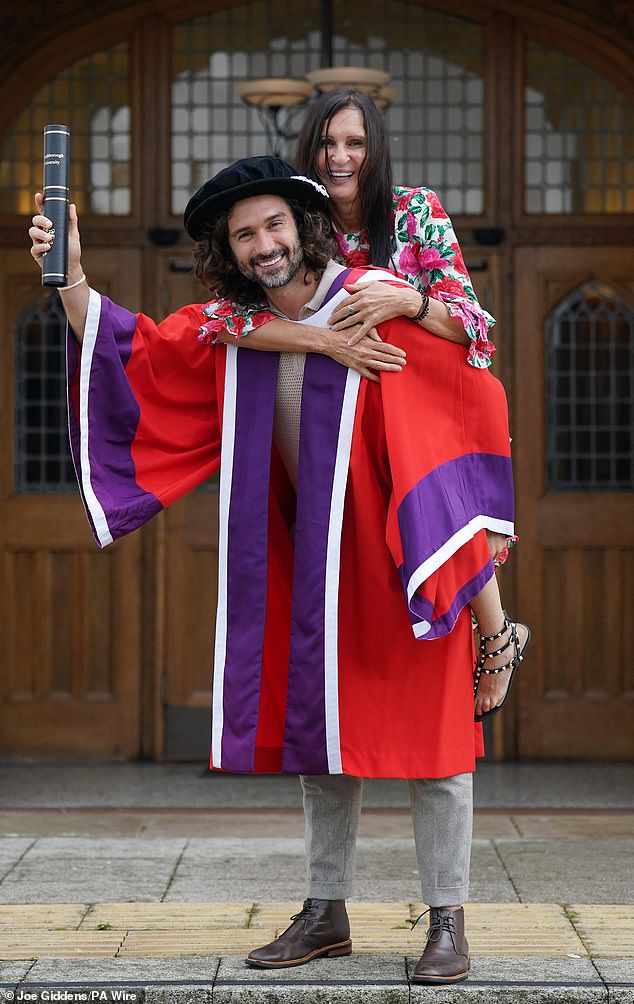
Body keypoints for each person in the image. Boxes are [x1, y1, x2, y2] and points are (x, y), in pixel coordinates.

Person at [29, 156, 522, 984]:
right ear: (230, 249)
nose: (265, 245)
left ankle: (448, 922)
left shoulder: (373, 302)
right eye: (245, 234)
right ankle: (325, 913)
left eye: (275, 226)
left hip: (408, 556)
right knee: (321, 741)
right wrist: (71, 277)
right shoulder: (233, 330)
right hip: (316, 569)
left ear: (305, 226)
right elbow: (138, 351)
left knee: (437, 745)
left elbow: (469, 397)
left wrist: (456, 560)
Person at [197, 90, 530, 721]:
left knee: (430, 472)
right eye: (327, 144)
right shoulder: (295, 220)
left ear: (374, 150)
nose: (340, 157)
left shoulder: (413, 211)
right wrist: (325, 340)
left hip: (426, 391)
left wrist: (405, 303)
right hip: (339, 415)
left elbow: (473, 327)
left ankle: (496, 631)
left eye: (355, 143)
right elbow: (224, 319)